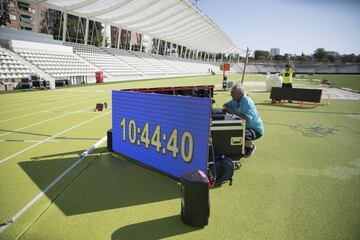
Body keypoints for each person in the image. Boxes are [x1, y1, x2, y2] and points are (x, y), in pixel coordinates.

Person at [223, 84, 264, 157]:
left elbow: (246, 118)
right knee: (230, 131)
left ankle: (250, 147)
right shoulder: (235, 100)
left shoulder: (246, 101)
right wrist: (227, 108)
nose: (231, 94)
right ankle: (240, 147)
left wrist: (231, 111)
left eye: (233, 92)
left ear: (240, 93)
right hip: (243, 126)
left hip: (255, 129)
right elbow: (225, 105)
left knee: (240, 133)